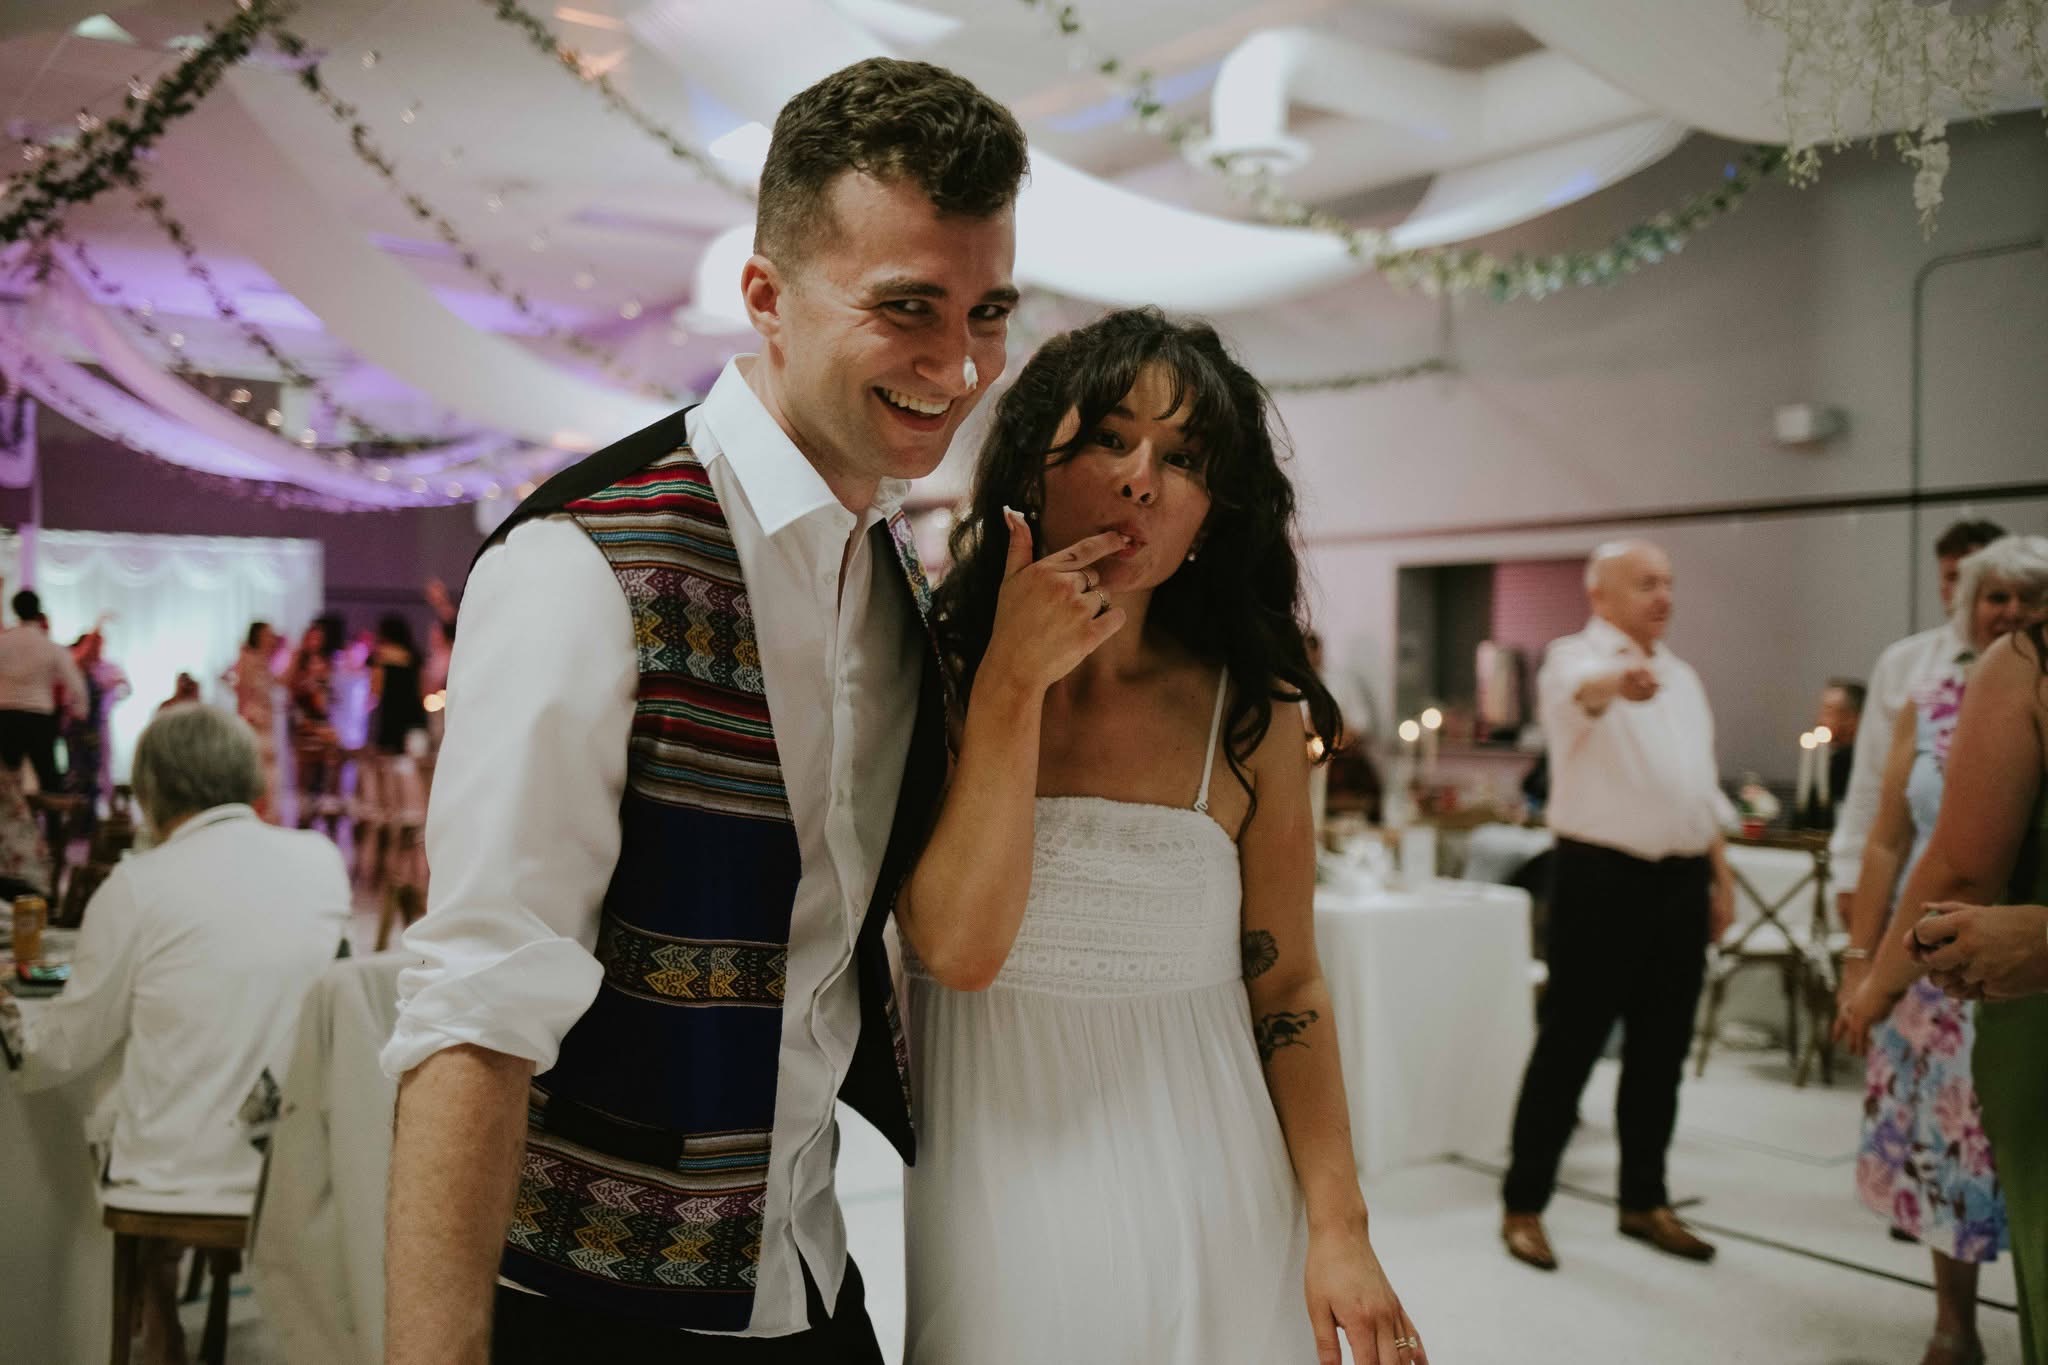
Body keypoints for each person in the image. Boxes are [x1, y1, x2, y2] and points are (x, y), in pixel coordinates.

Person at [379, 57, 1026, 1365]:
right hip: (593, 1307)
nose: (959, 364)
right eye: (907, 306)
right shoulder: (583, 562)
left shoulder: (893, 576)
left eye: (988, 311)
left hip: (808, 1273)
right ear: (766, 297)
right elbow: (477, 1010)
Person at [898, 310, 1420, 1365]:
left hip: (1216, 1185)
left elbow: (1288, 983)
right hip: (997, 1196)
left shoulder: (1251, 710)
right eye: (1110, 438)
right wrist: (1013, 679)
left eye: (1184, 459)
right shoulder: (929, 678)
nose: (1143, 480)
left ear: (1212, 512)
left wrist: (1340, 1227)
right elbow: (952, 950)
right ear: (1032, 465)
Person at [0, 704, 349, 1362]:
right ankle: (160, 1297)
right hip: (299, 1159)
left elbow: (65, 1046)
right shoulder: (320, 858)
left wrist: (12, 1019)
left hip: (174, 1174)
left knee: (115, 1071)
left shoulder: (138, 884)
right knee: (172, 1036)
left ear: (151, 788)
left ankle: (141, 1300)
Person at [1829, 537, 2048, 1365]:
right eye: (1997, 597)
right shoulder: (1931, 696)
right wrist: (1865, 962)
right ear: (1968, 605)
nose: (2013, 612)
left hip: (2017, 950)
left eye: (2031, 598)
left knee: (2016, 1152)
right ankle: (1955, 1323)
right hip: (1929, 950)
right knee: (1945, 1146)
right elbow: (1887, 837)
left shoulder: (2029, 676)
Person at [1499, 540, 1736, 1272]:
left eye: (1667, 582)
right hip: (1600, 879)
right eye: (1645, 583)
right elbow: (1584, 694)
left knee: (1662, 1050)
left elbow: (1699, 789)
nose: (1663, 596)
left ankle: (1643, 1200)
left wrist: (1720, 880)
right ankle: (1524, 1203)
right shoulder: (1574, 658)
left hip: (1681, 881)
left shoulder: (1684, 677)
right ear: (1600, 594)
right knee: (1569, 1043)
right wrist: (1618, 682)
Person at [1832, 520, 2006, 928]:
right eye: (1951, 576)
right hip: (1913, 882)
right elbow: (1870, 782)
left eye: (1974, 577)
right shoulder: (1904, 664)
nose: (1961, 590)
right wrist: (1850, 875)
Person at [0, 588, 87, 797]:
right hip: (39, 717)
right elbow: (76, 684)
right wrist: (80, 711)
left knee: (6, 778)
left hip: (6, 715)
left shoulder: (4, 642)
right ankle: (53, 818)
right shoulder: (50, 647)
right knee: (48, 777)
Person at [285, 622, 339, 828]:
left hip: (321, 723)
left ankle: (321, 810)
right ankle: (304, 815)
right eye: (312, 638)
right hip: (303, 722)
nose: (315, 642)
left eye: (319, 638)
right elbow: (289, 689)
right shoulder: (297, 663)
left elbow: (328, 697)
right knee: (304, 770)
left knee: (326, 768)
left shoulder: (325, 663)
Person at [227, 621, 282, 817]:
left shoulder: (265, 661)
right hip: (254, 722)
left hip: (266, 724)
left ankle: (266, 814)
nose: (271, 638)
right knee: (258, 771)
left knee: (269, 773)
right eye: (267, 634)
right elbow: (242, 692)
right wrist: (244, 717)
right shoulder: (248, 659)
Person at [369, 614, 427, 756]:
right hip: (414, 713)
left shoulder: (380, 657)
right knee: (413, 758)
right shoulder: (415, 657)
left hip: (390, 715)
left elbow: (375, 690)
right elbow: (422, 688)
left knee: (388, 758)